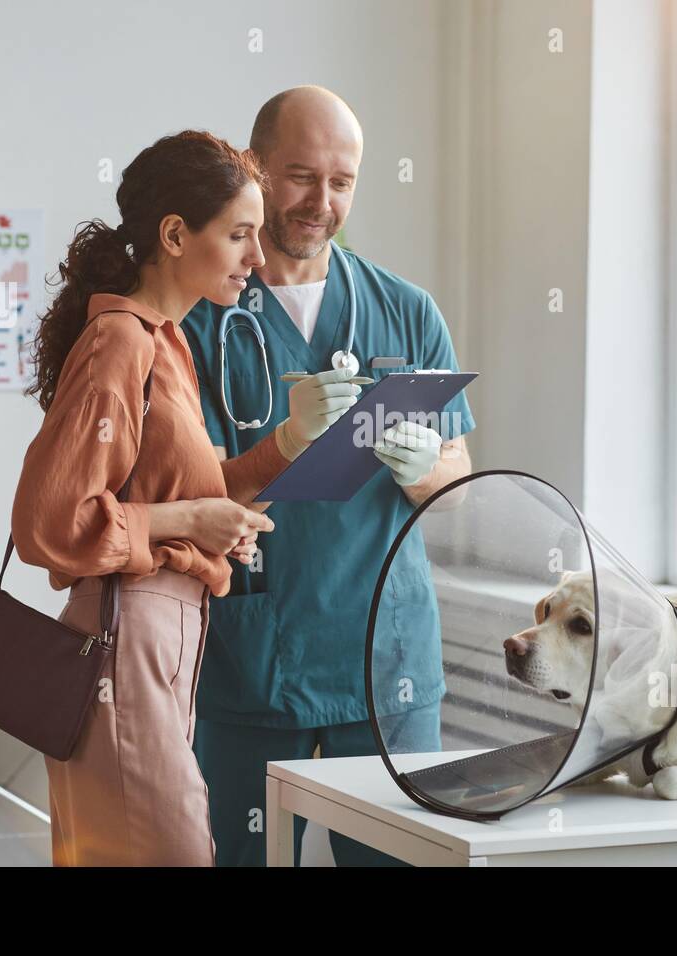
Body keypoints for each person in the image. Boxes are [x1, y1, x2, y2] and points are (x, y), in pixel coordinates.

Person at [9, 129, 358, 866]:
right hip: (124, 642)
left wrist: (283, 447)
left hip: (162, 640)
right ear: (174, 234)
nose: (257, 258)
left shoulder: (165, 342)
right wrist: (190, 521)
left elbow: (192, 492)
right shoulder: (123, 343)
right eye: (238, 235)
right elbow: (49, 523)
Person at [182, 87, 476, 866]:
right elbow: (185, 494)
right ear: (255, 171)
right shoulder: (198, 323)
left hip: (386, 666)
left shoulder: (406, 310)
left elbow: (458, 471)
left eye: (341, 182)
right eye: (300, 176)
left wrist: (426, 469)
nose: (321, 201)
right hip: (254, 658)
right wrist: (286, 441)